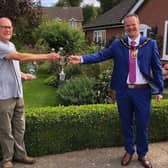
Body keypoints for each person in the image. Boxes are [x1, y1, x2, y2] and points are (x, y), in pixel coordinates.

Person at [69, 14, 164, 168]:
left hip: (142, 92)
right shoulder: (118, 44)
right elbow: (100, 55)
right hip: (124, 91)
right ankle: (128, 151)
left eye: (133, 25)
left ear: (138, 25)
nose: (130, 28)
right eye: (127, 25)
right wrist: (81, 59)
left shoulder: (150, 44)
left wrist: (159, 89)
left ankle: (142, 153)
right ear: (124, 28)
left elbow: (157, 68)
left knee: (142, 124)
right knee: (126, 123)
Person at [0, 17, 60, 168]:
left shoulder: (11, 45)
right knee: (6, 130)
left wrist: (23, 75)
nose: (8, 30)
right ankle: (7, 159)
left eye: (9, 27)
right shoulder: (1, 46)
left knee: (19, 127)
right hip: (4, 95)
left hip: (17, 93)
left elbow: (12, 64)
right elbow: (21, 57)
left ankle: (20, 155)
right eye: (4, 27)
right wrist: (47, 56)